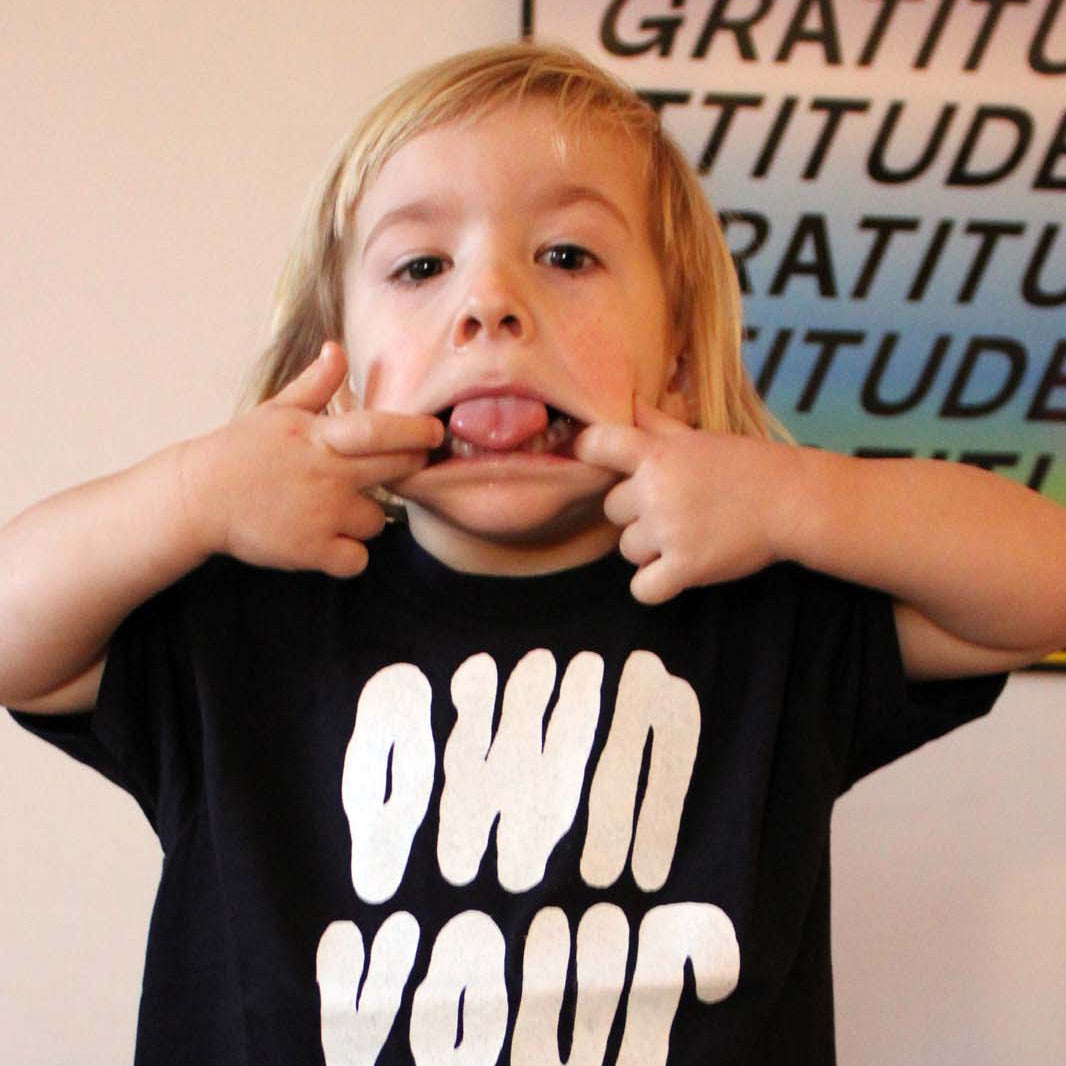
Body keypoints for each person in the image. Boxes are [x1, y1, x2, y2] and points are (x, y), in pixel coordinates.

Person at [1, 41, 1063, 1066]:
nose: (490, 304)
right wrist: (192, 495)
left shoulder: (763, 609)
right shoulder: (243, 618)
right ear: (347, 370)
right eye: (421, 265)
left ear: (677, 353)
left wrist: (794, 497)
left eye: (566, 256)